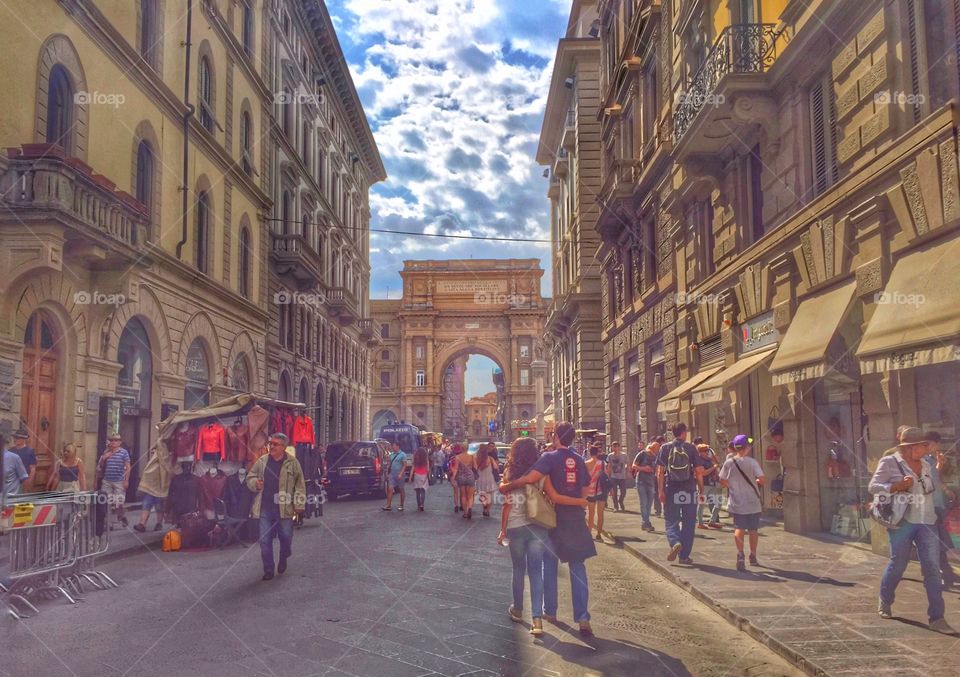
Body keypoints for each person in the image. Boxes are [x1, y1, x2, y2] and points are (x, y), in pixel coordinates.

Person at [499, 421, 596, 637]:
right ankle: (582, 617)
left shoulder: (549, 458)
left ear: (557, 437)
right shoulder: (580, 460)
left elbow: (530, 479)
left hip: (552, 519)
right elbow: (585, 489)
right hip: (575, 520)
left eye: (553, 434)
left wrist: (507, 485)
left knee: (548, 563)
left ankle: (549, 611)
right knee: (578, 566)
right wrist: (580, 502)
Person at [869, 427, 953, 633]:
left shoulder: (927, 464)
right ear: (909, 448)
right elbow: (873, 486)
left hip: (928, 521)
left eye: (926, 446)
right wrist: (896, 486)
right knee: (899, 562)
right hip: (902, 522)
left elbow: (931, 489)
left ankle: (937, 617)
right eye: (923, 446)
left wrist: (939, 471)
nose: (926, 449)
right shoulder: (890, 462)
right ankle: (885, 599)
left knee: (932, 568)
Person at [247, 433, 306, 581]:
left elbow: (300, 486)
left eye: (275, 444)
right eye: (271, 443)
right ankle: (268, 569)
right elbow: (250, 476)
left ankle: (284, 556)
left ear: (284, 447)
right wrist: (255, 483)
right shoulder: (262, 461)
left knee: (286, 537)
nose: (271, 446)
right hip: (265, 508)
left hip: (284, 508)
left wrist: (299, 504)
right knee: (264, 540)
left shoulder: (293, 463)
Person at [657, 422, 706, 565]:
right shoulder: (691, 448)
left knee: (671, 519)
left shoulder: (665, 448)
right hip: (689, 489)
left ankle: (675, 542)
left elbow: (660, 472)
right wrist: (701, 490)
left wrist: (660, 491)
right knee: (689, 522)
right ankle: (684, 556)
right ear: (683, 433)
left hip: (671, 488)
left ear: (673, 433)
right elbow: (699, 472)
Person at [718, 435, 765, 570]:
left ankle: (740, 554)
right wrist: (755, 482)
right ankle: (753, 555)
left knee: (739, 528)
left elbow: (721, 480)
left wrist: (731, 485)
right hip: (752, 501)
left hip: (737, 500)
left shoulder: (729, 462)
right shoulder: (752, 462)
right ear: (747, 448)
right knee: (753, 530)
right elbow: (762, 479)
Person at [924, 431, 960, 587]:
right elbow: (927, 482)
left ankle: (946, 573)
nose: (938, 446)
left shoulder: (930, 459)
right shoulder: (922, 460)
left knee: (940, 542)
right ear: (931, 443)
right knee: (937, 542)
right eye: (937, 443)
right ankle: (939, 575)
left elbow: (935, 479)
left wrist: (945, 490)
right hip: (930, 507)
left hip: (937, 505)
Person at [97, 433, 131, 528]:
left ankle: (121, 516)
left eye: (116, 440)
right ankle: (108, 523)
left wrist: (126, 480)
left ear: (120, 442)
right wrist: (104, 458)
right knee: (106, 502)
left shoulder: (124, 452)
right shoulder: (106, 452)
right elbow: (100, 466)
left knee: (118, 502)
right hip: (107, 480)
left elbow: (128, 467)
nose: (113, 442)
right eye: (112, 440)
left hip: (119, 481)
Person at [631, 441, 658, 532]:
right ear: (650, 448)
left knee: (649, 504)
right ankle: (646, 523)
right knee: (644, 503)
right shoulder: (642, 454)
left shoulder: (656, 457)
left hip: (651, 482)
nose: (656, 450)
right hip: (641, 481)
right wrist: (643, 468)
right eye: (655, 448)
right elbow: (634, 466)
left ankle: (645, 522)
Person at [696, 443, 723, 529]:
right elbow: (703, 473)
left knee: (719, 503)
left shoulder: (709, 459)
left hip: (712, 483)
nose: (707, 452)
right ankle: (700, 522)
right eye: (705, 451)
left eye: (707, 451)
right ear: (700, 452)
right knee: (702, 504)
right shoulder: (698, 461)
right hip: (703, 484)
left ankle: (713, 521)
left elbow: (717, 464)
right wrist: (714, 467)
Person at [585, 445, 608, 541]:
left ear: (590, 453)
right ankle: (599, 534)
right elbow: (607, 476)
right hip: (601, 490)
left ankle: (589, 533)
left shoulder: (585, 464)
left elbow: (584, 478)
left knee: (591, 513)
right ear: (597, 453)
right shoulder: (602, 463)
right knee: (600, 513)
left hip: (590, 491)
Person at [451, 443, 477, 518]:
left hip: (461, 477)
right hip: (470, 476)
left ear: (461, 448)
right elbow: (475, 466)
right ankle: (470, 508)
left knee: (463, 495)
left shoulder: (457, 457)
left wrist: (453, 477)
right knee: (470, 496)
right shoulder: (472, 456)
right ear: (468, 448)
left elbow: (455, 469)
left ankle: (465, 512)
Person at [382, 442, 408, 512]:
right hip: (392, 474)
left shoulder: (403, 455)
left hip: (400, 474)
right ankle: (388, 505)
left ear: (397, 446)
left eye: (393, 446)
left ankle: (401, 505)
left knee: (401, 489)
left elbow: (404, 465)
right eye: (392, 446)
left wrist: (400, 474)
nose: (392, 447)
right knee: (390, 489)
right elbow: (389, 463)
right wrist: (387, 471)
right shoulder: (391, 454)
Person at [2, 432, 29, 498]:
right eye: (15, 438)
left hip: (9, 499)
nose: (15, 440)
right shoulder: (12, 449)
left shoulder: (14, 457)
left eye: (18, 438)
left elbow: (24, 478)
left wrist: (25, 498)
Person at [476, 443, 498, 518]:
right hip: (489, 477)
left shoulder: (477, 458)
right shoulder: (490, 458)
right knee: (489, 495)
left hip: (480, 478)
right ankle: (487, 510)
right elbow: (495, 467)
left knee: (482, 494)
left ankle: (484, 505)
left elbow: (475, 468)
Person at [606, 441, 628, 512]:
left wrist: (627, 472)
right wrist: (608, 476)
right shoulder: (610, 456)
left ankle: (620, 501)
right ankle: (616, 507)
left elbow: (627, 464)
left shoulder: (624, 455)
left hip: (622, 476)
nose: (615, 448)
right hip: (613, 477)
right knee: (614, 493)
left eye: (616, 446)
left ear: (619, 447)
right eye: (613, 446)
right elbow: (608, 466)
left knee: (623, 492)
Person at [408, 447, 430, 512]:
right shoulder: (426, 460)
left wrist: (410, 478)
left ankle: (418, 506)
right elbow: (428, 470)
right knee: (423, 491)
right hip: (424, 476)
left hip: (417, 475)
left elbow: (412, 469)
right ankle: (422, 505)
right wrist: (427, 476)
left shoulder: (415, 460)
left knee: (417, 492)